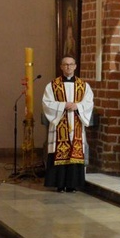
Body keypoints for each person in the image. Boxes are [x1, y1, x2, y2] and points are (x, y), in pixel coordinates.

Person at [42, 56, 94, 192]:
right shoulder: (52, 85)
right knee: (59, 151)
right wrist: (63, 105)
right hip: (60, 123)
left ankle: (72, 185)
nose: (68, 67)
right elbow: (46, 103)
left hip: (76, 122)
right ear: (61, 67)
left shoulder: (83, 85)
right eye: (65, 65)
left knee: (74, 151)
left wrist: (78, 106)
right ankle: (59, 184)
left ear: (75, 66)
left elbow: (89, 103)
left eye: (71, 64)